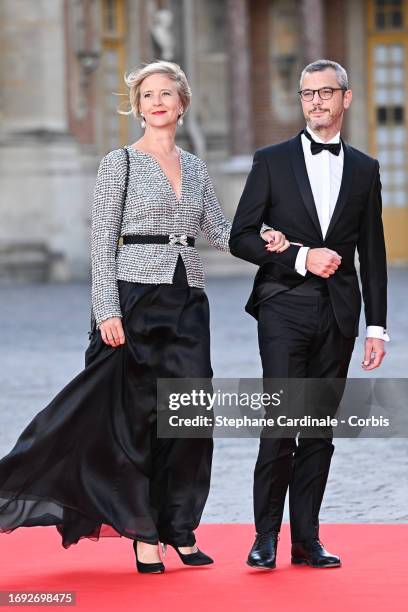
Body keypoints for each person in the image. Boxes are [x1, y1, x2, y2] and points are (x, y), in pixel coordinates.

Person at [0, 60, 287, 574]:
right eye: (147, 95)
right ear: (138, 106)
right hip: (133, 299)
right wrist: (106, 308)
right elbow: (101, 240)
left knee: (190, 419)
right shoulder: (120, 163)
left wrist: (267, 241)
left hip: (186, 299)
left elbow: (218, 231)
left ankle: (180, 527)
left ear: (182, 103)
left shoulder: (196, 167)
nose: (156, 102)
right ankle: (144, 534)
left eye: (165, 94)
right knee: (135, 421)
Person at [229, 59, 389, 570]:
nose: (316, 101)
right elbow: (242, 236)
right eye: (306, 94)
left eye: (325, 92)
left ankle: (306, 538)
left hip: (340, 313)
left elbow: (375, 254)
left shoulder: (365, 168)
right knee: (281, 420)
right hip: (283, 305)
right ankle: (265, 537)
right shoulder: (271, 160)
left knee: (318, 427)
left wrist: (377, 327)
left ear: (345, 98)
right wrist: (297, 255)